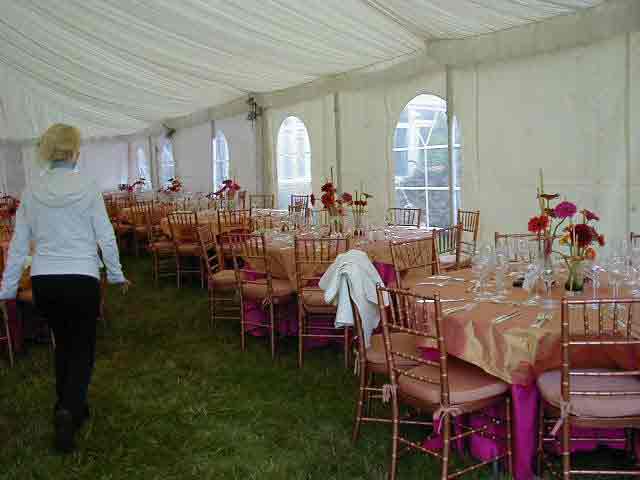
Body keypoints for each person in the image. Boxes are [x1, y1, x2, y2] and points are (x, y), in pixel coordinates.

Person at [0, 124, 129, 453]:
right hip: (82, 277)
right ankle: (69, 410)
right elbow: (105, 235)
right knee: (82, 347)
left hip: (45, 281)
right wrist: (115, 274)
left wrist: (8, 289)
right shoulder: (88, 187)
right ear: (75, 152)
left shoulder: (32, 191)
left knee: (63, 344)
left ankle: (69, 404)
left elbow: (18, 245)